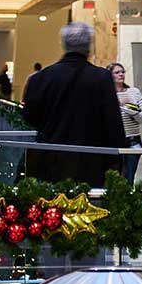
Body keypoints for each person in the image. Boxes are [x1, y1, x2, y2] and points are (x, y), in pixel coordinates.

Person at [22, 22, 127, 188]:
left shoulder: (40, 78)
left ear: (63, 45)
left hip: (51, 161)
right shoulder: (102, 78)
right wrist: (119, 157)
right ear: (89, 47)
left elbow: (29, 117)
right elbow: (112, 122)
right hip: (92, 162)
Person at [108, 62, 142, 184]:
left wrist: (128, 108)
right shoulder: (107, 94)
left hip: (133, 140)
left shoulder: (134, 92)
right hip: (113, 141)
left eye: (122, 72)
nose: (121, 74)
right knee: (114, 178)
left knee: (129, 178)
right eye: (117, 72)